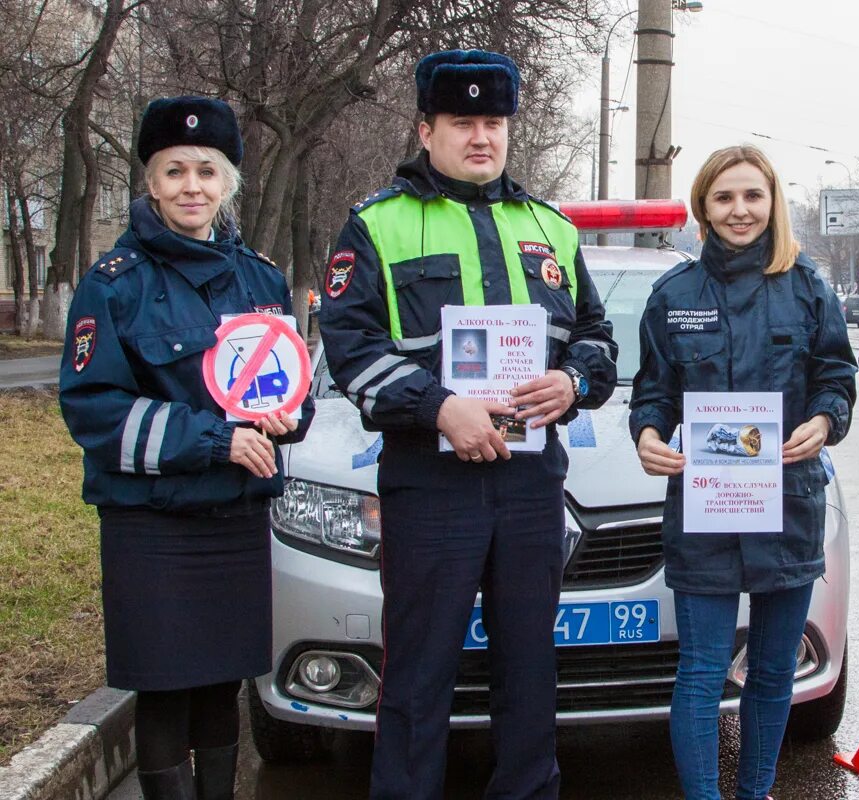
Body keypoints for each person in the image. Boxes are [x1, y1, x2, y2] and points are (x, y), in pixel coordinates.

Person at [317, 49, 617, 800]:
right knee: (418, 674)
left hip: (529, 483)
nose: (480, 137)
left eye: (493, 122)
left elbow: (597, 337)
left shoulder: (552, 228)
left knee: (528, 670)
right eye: (462, 122)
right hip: (430, 483)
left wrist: (573, 381)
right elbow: (351, 351)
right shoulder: (377, 226)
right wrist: (437, 405)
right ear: (427, 130)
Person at [58, 96, 314, 800]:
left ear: (228, 181)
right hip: (153, 526)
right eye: (174, 171)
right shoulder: (114, 286)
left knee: (220, 688)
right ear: (151, 182)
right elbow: (94, 411)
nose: (191, 186)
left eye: (207, 170)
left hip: (233, 520)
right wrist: (214, 442)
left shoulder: (260, 279)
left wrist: (293, 415)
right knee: (166, 691)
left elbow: (292, 388)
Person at [628, 145, 856, 800]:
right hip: (706, 508)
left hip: (786, 502)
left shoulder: (809, 287)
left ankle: (755, 795)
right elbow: (653, 392)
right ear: (703, 206)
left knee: (773, 672)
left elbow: (836, 379)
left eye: (753, 196)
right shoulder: (673, 294)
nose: (740, 210)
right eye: (724, 197)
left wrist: (825, 420)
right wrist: (646, 434)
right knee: (701, 672)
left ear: (773, 203)